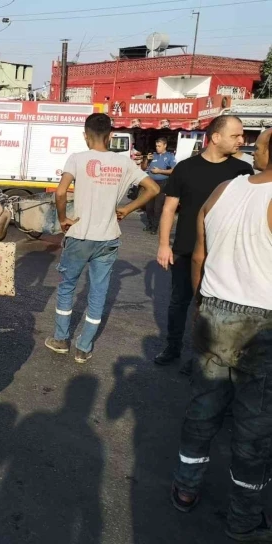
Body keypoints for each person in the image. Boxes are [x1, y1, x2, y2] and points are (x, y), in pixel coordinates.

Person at [170, 128, 272, 542]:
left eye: (259, 142)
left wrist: (201, 306)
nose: (252, 146)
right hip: (262, 323)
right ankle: (243, 519)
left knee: (204, 407)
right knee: (254, 424)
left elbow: (199, 255)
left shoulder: (223, 191)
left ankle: (185, 488)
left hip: (214, 309)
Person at [45, 113, 159, 363]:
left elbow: (61, 192)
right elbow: (154, 188)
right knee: (98, 292)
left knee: (67, 287)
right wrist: (128, 209)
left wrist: (63, 218)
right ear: (110, 136)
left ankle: (61, 339)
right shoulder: (124, 163)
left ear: (86, 136)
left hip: (79, 235)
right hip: (108, 238)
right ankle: (84, 347)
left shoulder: (77, 159)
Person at [155, 116, 253, 368]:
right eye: (236, 135)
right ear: (216, 137)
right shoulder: (185, 168)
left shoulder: (241, 171)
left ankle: (204, 360)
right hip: (186, 249)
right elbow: (169, 209)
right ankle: (173, 347)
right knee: (180, 302)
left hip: (223, 254)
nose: (241, 140)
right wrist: (164, 245)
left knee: (212, 309)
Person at [144, 137, 176, 234]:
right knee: (148, 207)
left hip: (162, 184)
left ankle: (154, 227)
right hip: (150, 183)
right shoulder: (153, 155)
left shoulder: (170, 156)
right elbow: (143, 167)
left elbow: (174, 170)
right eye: (156, 146)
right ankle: (149, 225)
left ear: (165, 145)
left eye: (159, 146)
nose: (157, 148)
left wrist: (160, 171)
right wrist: (146, 160)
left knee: (157, 207)